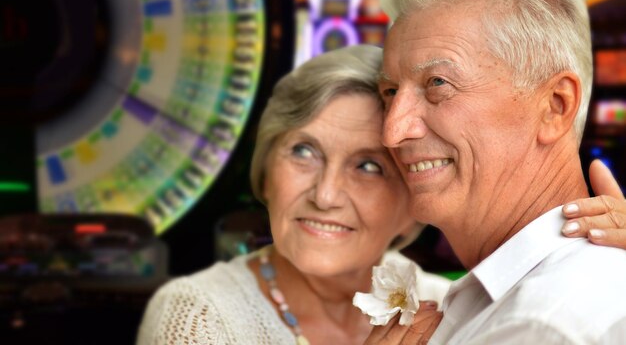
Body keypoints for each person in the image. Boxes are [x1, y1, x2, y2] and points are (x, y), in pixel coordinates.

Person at [137, 45, 626, 345]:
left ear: (414, 199)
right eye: (304, 152)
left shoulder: (454, 306)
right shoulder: (197, 315)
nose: (326, 195)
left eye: (368, 166)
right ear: (266, 172)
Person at [368, 0, 626, 344]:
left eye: (438, 84)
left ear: (555, 106)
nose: (393, 130)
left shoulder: (541, 324)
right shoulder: (518, 299)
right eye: (389, 90)